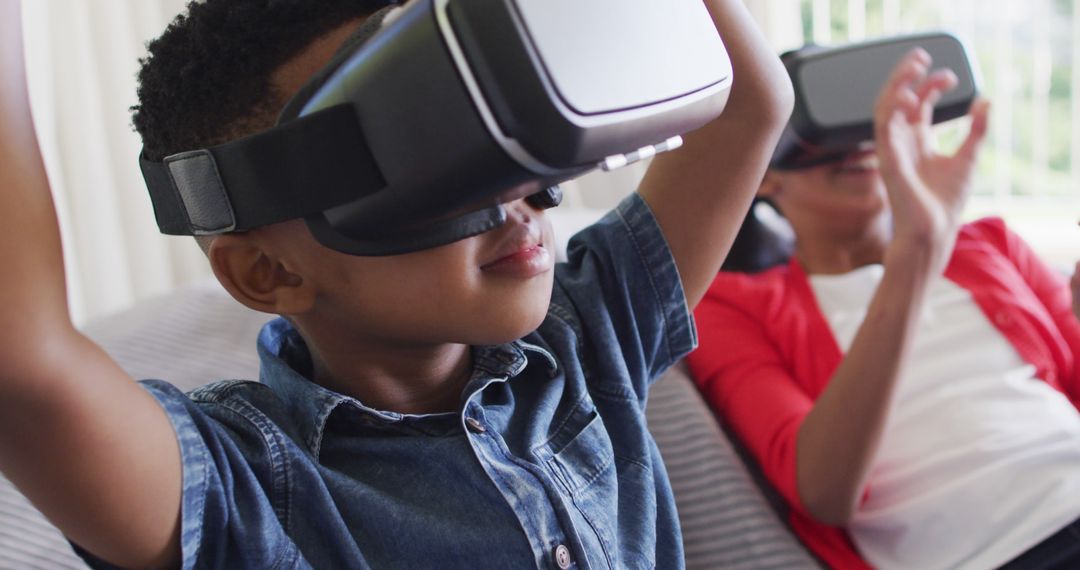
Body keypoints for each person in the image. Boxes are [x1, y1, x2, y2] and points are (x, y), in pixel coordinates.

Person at [0, 0, 794, 568]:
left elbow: (748, 104)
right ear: (270, 270)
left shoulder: (582, 344)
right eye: (423, 149)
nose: (512, 193)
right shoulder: (248, 487)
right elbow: (24, 370)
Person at [687, 46, 1080, 569]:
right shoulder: (733, 307)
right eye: (826, 123)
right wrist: (915, 255)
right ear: (765, 174)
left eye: (872, 116)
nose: (860, 139)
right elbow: (823, 491)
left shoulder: (992, 244)